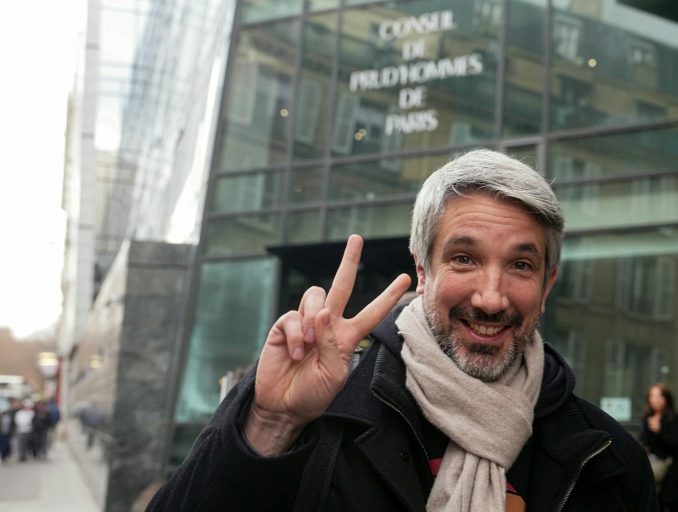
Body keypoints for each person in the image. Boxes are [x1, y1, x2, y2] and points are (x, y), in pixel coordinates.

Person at [146, 149, 658, 511]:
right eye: (464, 258)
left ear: (547, 286)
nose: (491, 297)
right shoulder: (322, 417)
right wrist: (271, 422)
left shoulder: (610, 460)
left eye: (520, 266)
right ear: (424, 268)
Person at [641, 383, 678, 511]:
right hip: (651, 463)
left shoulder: (672, 419)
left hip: (668, 467)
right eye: (653, 396)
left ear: (666, 399)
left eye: (660, 396)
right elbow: (643, 440)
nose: (656, 399)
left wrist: (659, 431)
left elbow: (674, 443)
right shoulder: (647, 418)